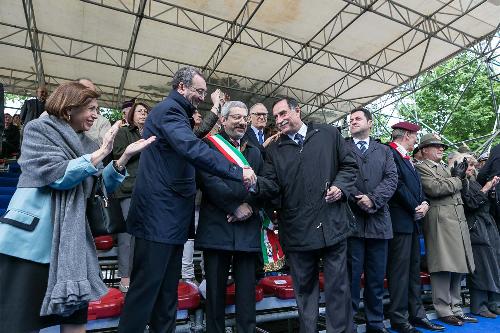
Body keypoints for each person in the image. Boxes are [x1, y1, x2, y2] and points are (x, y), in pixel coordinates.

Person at [0, 82, 155, 333]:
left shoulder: (90, 145)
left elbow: (98, 187)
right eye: (91, 108)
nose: (96, 115)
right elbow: (56, 175)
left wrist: (122, 158)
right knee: (19, 322)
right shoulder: (38, 129)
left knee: (75, 321)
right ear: (69, 107)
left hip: (70, 247)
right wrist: (101, 153)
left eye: (97, 109)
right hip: (31, 244)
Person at [118, 66, 256, 333]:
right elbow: (191, 147)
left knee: (167, 295)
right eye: (198, 91)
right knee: (145, 293)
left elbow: (190, 140)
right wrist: (237, 171)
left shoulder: (178, 114)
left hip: (170, 222)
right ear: (181, 87)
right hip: (157, 219)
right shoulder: (169, 111)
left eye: (205, 93)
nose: (201, 98)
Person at [255, 97, 358, 333]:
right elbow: (271, 186)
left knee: (338, 288)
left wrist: (340, 188)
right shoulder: (272, 150)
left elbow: (349, 166)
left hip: (332, 224)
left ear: (297, 111)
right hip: (297, 230)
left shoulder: (329, 134)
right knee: (304, 291)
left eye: (283, 114)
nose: (279, 120)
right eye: (276, 117)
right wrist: (254, 184)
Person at [196, 101, 263, 333]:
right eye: (235, 117)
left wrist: (250, 207)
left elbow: (265, 183)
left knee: (246, 291)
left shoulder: (255, 150)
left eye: (244, 117)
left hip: (247, 228)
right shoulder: (209, 145)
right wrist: (235, 206)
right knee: (215, 291)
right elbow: (207, 179)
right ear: (222, 120)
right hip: (218, 225)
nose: (241, 122)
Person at [386, 122, 445, 333]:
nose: (416, 140)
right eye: (414, 135)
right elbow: (397, 184)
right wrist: (415, 206)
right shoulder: (390, 152)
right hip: (400, 221)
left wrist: (425, 203)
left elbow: (416, 186)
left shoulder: (406, 158)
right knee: (399, 273)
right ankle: (399, 318)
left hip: (411, 222)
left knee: (412, 272)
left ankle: (417, 315)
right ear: (407, 135)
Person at [415, 133, 476, 326]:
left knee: (458, 265)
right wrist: (457, 179)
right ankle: (443, 309)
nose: (441, 148)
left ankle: (456, 307)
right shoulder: (421, 167)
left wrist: (463, 176)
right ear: (424, 150)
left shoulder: (443, 167)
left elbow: (456, 189)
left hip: (456, 220)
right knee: (442, 266)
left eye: (442, 146)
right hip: (440, 221)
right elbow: (435, 188)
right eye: (436, 146)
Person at [346, 108, 397, 333]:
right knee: (350, 279)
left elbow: (392, 178)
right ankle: (347, 324)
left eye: (357, 118)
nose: (352, 122)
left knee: (376, 279)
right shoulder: (342, 147)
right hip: (351, 224)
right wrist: (359, 199)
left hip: (379, 225)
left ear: (370, 122)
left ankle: (375, 323)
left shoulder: (385, 151)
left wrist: (373, 199)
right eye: (350, 120)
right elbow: (340, 175)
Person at [451, 153, 500, 318]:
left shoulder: (472, 182)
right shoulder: (461, 183)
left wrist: (491, 193)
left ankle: (492, 303)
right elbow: (470, 204)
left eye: (473, 165)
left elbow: (485, 204)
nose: (472, 168)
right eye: (468, 165)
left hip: (487, 225)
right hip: (475, 227)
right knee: (480, 266)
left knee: (493, 264)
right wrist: (485, 189)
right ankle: (479, 305)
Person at [112, 101, 150, 293]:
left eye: (146, 111)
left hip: (149, 191)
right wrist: (138, 146)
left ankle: (141, 274)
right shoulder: (124, 132)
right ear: (132, 115)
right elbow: (117, 155)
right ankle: (125, 276)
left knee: (145, 234)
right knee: (127, 235)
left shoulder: (152, 134)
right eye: (139, 112)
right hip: (128, 188)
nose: (143, 114)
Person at [78, 78, 112, 145]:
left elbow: (103, 148)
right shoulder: (55, 123)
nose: (91, 95)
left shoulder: (103, 122)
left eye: (93, 92)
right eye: (86, 91)